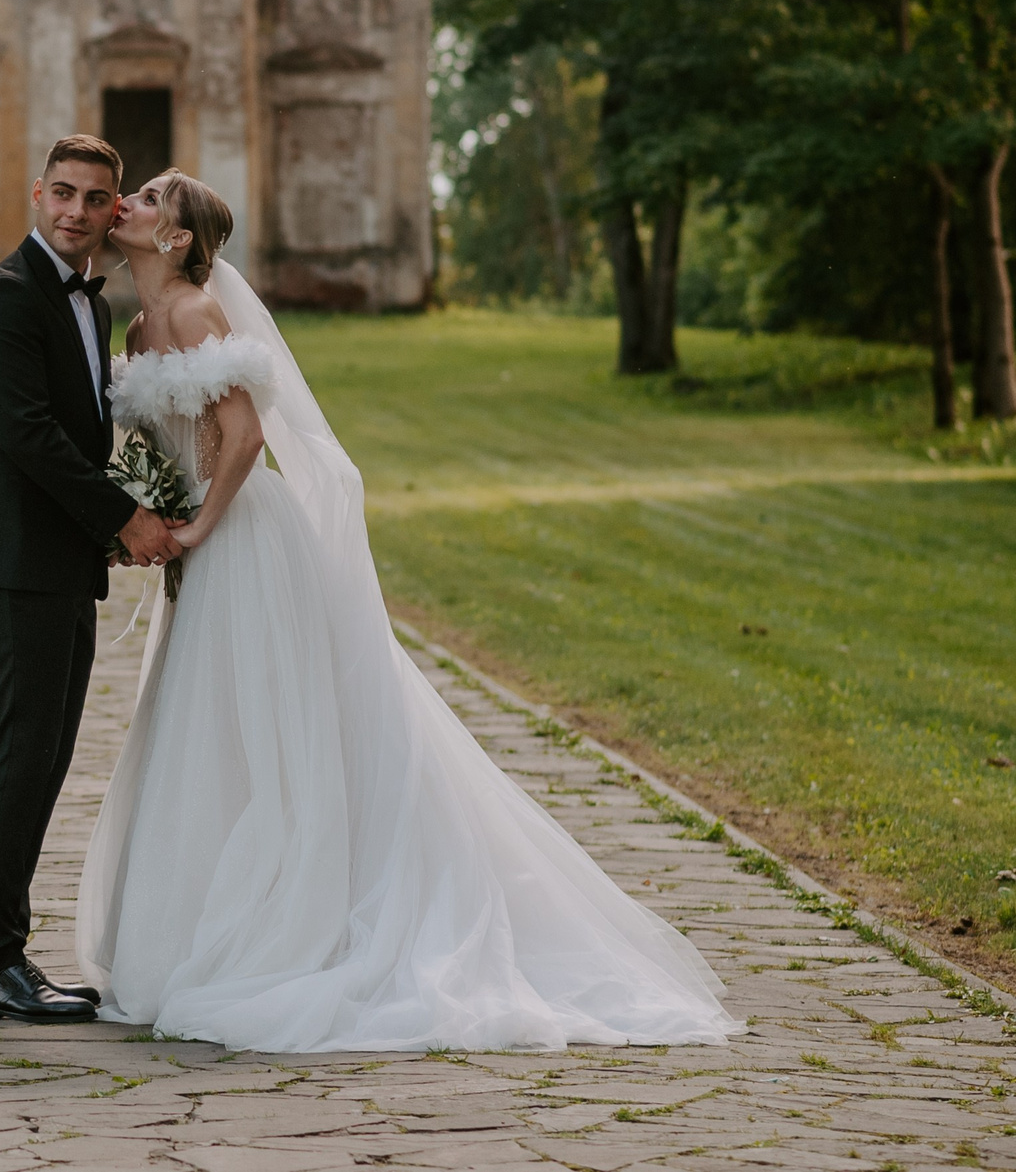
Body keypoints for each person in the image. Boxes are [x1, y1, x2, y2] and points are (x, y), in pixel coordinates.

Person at [76, 168, 742, 1052]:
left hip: (243, 539)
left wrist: (197, 523)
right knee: (207, 724)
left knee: (268, 722)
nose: (131, 201)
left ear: (177, 238)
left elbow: (245, 438)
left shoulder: (197, 311)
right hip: (199, 548)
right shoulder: (136, 322)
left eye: (152, 197)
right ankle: (196, 917)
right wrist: (145, 514)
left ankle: (298, 911)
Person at [0, 134, 179, 1024]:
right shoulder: (3, 299)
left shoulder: (89, 299)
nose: (77, 211)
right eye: (64, 194)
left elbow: (77, 437)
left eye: (95, 199)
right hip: (11, 565)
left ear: (114, 208)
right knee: (20, 757)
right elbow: (28, 437)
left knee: (41, 759)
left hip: (55, 560)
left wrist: (103, 530)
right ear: (37, 194)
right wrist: (124, 518)